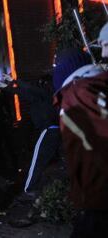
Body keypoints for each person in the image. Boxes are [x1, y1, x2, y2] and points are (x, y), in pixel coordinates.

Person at [52, 24, 108, 237]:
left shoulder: (78, 94)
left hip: (100, 199)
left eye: (106, 45)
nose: (103, 53)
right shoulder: (94, 87)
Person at [0, 73, 63, 196]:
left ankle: (29, 188)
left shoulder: (45, 93)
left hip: (49, 130)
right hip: (53, 130)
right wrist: (9, 87)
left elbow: (30, 89)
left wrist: (14, 81)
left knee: (37, 161)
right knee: (48, 160)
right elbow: (26, 93)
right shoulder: (42, 97)